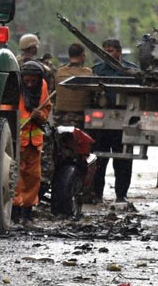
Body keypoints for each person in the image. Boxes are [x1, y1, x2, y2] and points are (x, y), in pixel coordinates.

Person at [92, 38, 138, 203]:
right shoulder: (97, 70)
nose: (108, 54)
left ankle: (121, 195)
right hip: (102, 120)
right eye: (105, 50)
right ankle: (97, 194)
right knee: (99, 159)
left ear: (119, 52)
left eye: (111, 50)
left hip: (125, 119)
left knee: (123, 160)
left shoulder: (131, 70)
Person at [13, 60, 51, 224]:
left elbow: (47, 107)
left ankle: (27, 212)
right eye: (26, 81)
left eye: (32, 82)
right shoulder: (15, 87)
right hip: (17, 141)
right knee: (15, 178)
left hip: (33, 142)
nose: (29, 84)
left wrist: (40, 116)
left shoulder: (42, 86)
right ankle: (14, 211)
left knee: (33, 178)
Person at [54, 43, 92, 128]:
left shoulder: (59, 72)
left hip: (60, 118)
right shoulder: (88, 73)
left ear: (69, 55)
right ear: (83, 56)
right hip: (80, 118)